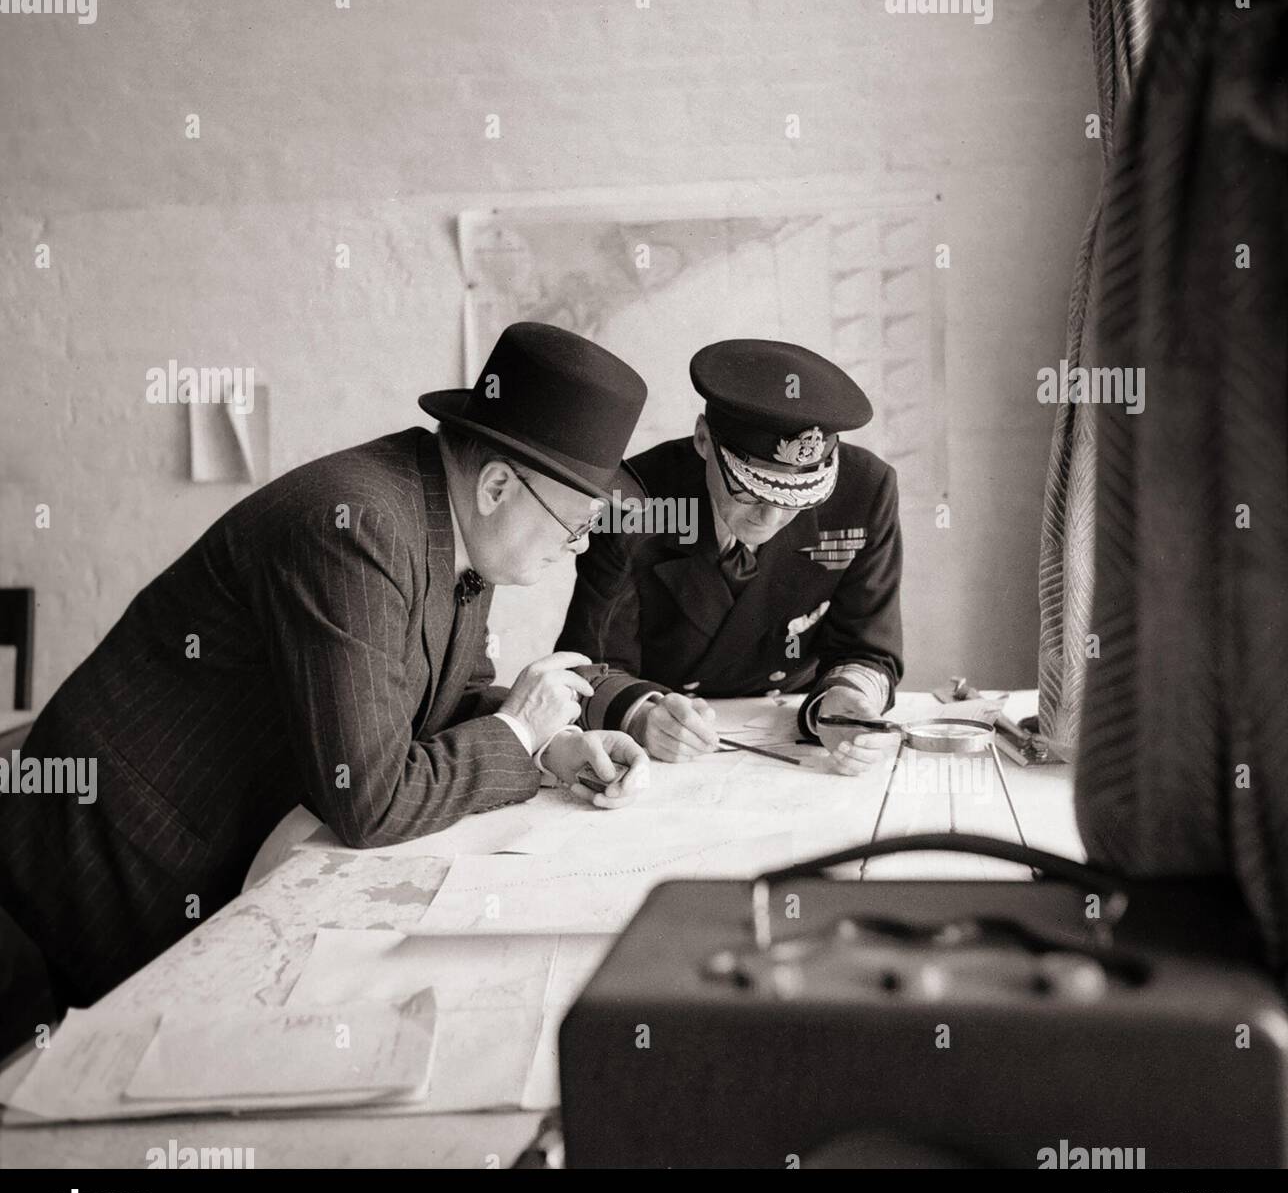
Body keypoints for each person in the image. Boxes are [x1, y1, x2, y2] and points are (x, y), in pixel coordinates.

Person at [0, 322, 649, 1010]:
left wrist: (549, 744)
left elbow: (446, 695)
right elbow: (370, 802)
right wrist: (516, 735)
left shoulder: (447, 517)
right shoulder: (356, 530)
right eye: (575, 524)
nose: (577, 548)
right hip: (105, 869)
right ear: (496, 486)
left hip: (192, 852)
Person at [558, 338, 903, 775]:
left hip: (793, 719)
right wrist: (641, 714)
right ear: (704, 440)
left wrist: (847, 700)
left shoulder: (865, 491)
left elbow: (868, 646)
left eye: (800, 496)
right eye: (751, 489)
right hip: (672, 728)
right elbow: (588, 666)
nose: (772, 515)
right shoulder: (635, 501)